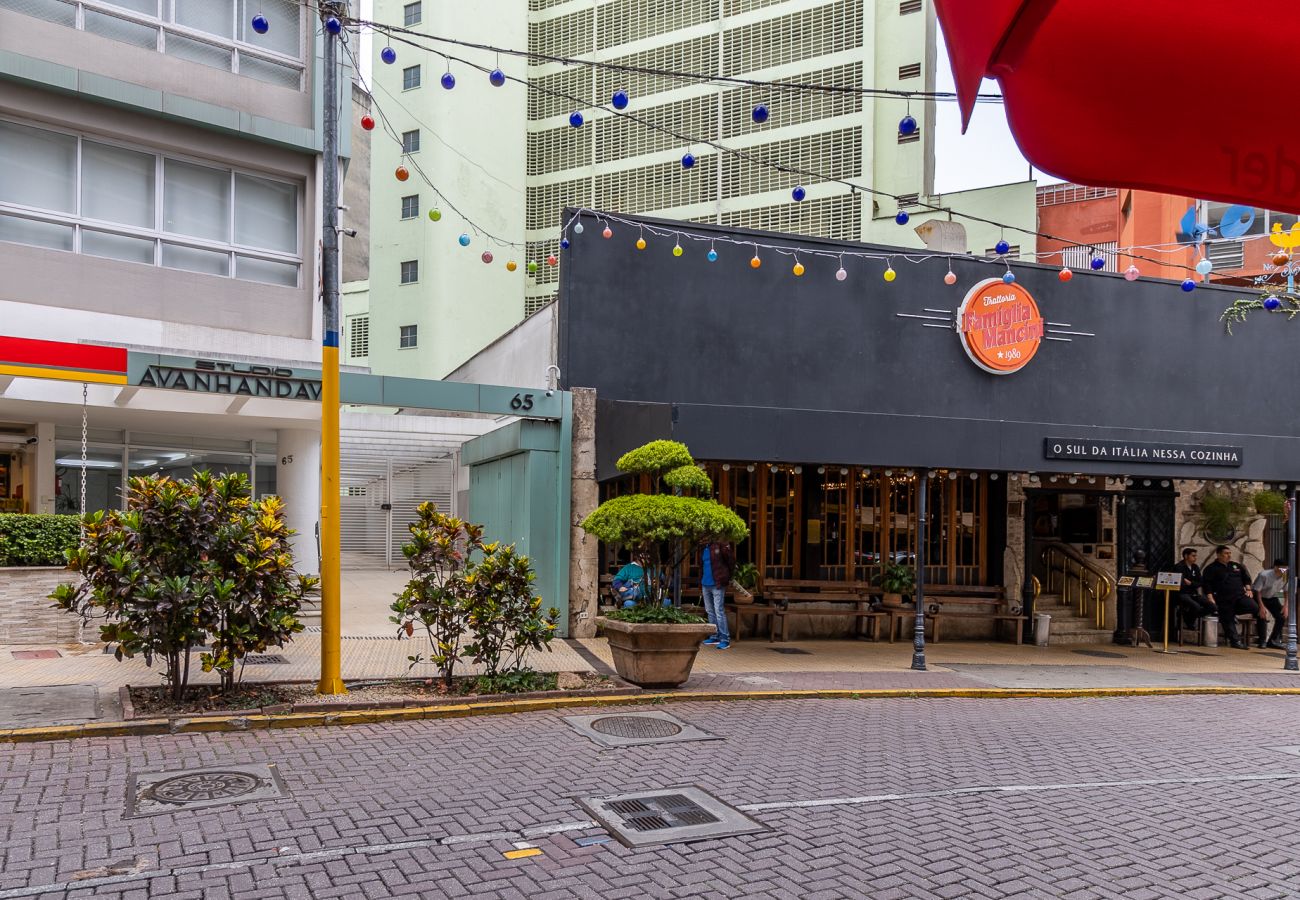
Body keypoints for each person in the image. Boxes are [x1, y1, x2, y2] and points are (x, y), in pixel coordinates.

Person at [1202, 545, 1256, 649]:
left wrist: (1248, 589)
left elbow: (1246, 578)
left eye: (1230, 553)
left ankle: (1233, 612)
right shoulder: (1211, 568)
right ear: (1218, 555)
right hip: (1223, 598)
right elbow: (1207, 585)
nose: (1229, 555)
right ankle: (1235, 641)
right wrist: (1210, 598)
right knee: (1227, 617)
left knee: (1253, 607)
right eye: (1226, 553)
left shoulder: (1236, 566)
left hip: (1239, 596)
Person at [699, 539, 736, 650]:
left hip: (717, 584)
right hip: (705, 584)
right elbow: (702, 566)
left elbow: (731, 561)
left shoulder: (720, 545)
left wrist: (726, 577)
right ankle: (714, 636)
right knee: (709, 611)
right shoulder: (703, 548)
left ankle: (725, 639)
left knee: (719, 611)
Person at [1173, 547, 1215, 630]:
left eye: (1196, 556)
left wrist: (1191, 583)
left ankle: (1188, 618)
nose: (1195, 558)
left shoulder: (1195, 567)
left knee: (1212, 607)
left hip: (1193, 593)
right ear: (1186, 556)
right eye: (1193, 556)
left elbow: (1200, 582)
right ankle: (1189, 621)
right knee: (1196, 606)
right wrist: (1192, 583)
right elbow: (1181, 582)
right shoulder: (1179, 567)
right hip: (1182, 593)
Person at [1252, 559, 1288, 650]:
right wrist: (1261, 606)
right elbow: (1258, 591)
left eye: (1286, 569)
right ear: (1275, 567)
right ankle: (1262, 641)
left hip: (1272, 597)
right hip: (1258, 597)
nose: (1284, 571)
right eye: (1282, 568)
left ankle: (1272, 640)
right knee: (1262, 615)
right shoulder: (1264, 575)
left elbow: (1286, 591)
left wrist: (1285, 606)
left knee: (1281, 617)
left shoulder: (1285, 575)